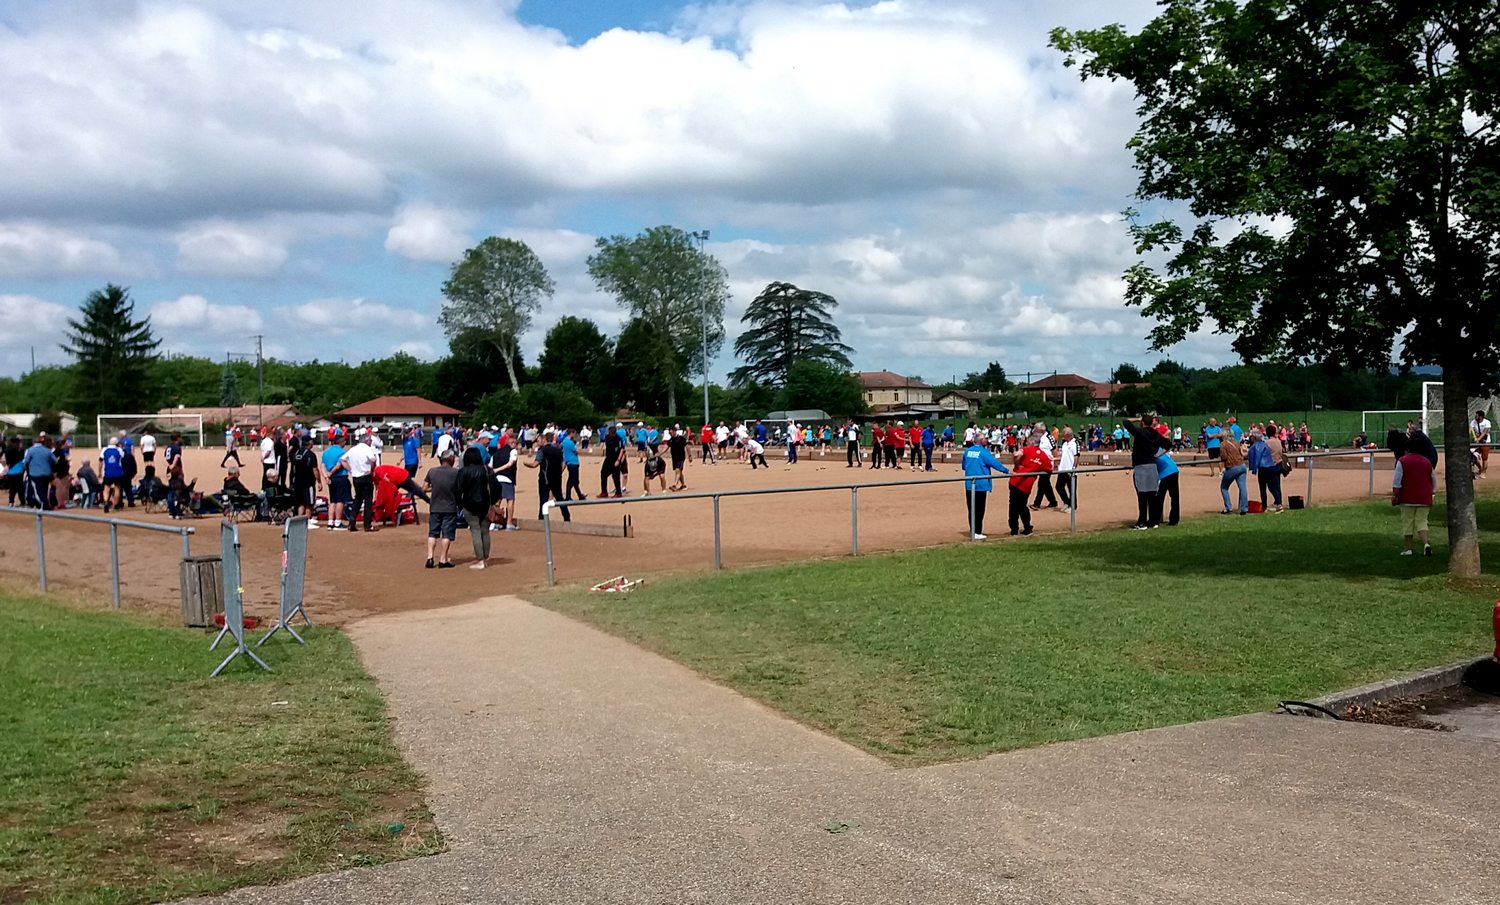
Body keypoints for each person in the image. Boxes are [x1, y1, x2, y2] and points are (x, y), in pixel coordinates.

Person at [1389, 429, 1434, 556]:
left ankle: (1408, 548)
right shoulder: (1427, 462)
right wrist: (1432, 493)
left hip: (1407, 497)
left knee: (1408, 522)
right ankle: (1426, 544)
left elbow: (1397, 481)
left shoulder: (1402, 461)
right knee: (1422, 522)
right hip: (1424, 497)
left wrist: (1395, 495)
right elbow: (1433, 480)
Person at [1121, 415, 1170, 529]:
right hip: (1152, 465)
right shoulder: (1155, 434)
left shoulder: (1140, 432)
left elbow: (1126, 422)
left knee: (1142, 495)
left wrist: (1137, 418)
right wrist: (1157, 455)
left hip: (1141, 465)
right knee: (1152, 495)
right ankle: (1153, 521)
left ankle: (1142, 522)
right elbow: (1168, 445)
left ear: (1142, 422)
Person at [961, 435, 1010, 539]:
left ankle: (973, 530)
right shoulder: (984, 452)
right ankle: (977, 532)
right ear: (981, 441)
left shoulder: (967, 451)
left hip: (969, 483)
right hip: (981, 484)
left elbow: (964, 466)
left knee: (971, 509)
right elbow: (994, 463)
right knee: (979, 509)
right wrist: (1007, 471)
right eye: (985, 438)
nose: (987, 440)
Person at [456, 447, 496, 569]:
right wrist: (493, 502)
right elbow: (496, 486)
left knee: (475, 530)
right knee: (485, 530)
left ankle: (480, 560)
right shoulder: (486, 470)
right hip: (485, 503)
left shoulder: (463, 471)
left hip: (469, 503)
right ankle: (485, 557)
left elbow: (457, 490)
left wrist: (460, 504)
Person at [423, 449, 460, 568]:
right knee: (447, 534)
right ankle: (443, 559)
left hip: (435, 506)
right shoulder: (456, 473)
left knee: (432, 533)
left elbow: (424, 488)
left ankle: (430, 557)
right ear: (451, 459)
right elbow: (459, 489)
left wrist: (435, 488)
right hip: (449, 507)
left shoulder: (432, 471)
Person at [1009, 435, 1051, 536]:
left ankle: (1014, 529)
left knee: (1014, 506)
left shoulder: (1027, 449)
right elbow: (1049, 469)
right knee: (1022, 506)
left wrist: (1016, 464)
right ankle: (1027, 527)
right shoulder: (1043, 455)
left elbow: (1016, 454)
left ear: (1031, 442)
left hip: (1016, 481)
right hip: (1027, 485)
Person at [524, 430, 569, 521]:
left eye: (538, 440)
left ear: (544, 439)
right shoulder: (558, 449)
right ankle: (566, 517)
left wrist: (526, 464)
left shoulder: (542, 451)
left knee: (543, 499)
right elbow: (564, 462)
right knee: (559, 498)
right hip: (556, 477)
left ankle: (542, 519)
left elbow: (535, 464)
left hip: (545, 478)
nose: (537, 442)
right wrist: (559, 471)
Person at [341, 431, 381, 532]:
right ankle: (367, 525)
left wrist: (350, 469)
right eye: (370, 440)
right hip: (365, 476)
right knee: (368, 501)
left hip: (356, 477)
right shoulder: (367, 449)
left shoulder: (353, 449)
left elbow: (342, 460)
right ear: (367, 440)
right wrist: (371, 471)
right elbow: (373, 460)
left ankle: (352, 522)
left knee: (357, 499)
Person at [1247, 427, 1285, 513]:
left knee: (1265, 487)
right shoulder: (1278, 441)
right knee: (1276, 486)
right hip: (1277, 465)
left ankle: (1267, 506)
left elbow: (1257, 456)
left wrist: (1253, 468)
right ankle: (1278, 503)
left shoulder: (1266, 443)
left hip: (1267, 466)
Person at [287, 435, 323, 520]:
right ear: (309, 443)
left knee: (301, 503)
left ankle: (299, 520)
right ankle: (308, 520)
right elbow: (315, 470)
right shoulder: (310, 455)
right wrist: (319, 482)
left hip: (297, 483)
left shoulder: (296, 453)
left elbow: (293, 469)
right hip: (308, 483)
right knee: (309, 503)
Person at [491, 432, 519, 530]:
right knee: (510, 500)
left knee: (497, 501)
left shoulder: (496, 453)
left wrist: (495, 471)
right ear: (513, 444)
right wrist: (498, 469)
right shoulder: (513, 451)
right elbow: (510, 463)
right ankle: (509, 523)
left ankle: (494, 521)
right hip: (507, 478)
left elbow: (490, 465)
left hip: (496, 479)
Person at [1218, 426, 1249, 514]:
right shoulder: (1236, 442)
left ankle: (1228, 507)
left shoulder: (1223, 444)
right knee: (1242, 487)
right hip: (1242, 466)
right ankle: (1243, 508)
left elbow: (1224, 457)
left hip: (1232, 467)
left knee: (1224, 487)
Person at [321, 433, 350, 529]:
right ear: (341, 442)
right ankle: (337, 522)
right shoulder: (341, 452)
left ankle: (330, 522)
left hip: (331, 479)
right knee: (340, 501)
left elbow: (323, 466)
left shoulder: (326, 452)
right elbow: (339, 464)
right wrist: (331, 473)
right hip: (340, 477)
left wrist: (326, 476)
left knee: (332, 500)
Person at [23, 435, 57, 510]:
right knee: (44, 489)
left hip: (35, 474)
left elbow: (26, 462)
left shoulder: (30, 450)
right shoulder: (47, 450)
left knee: (38, 491)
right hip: (47, 474)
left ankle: (44, 505)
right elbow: (55, 461)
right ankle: (45, 504)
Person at [1030, 422, 1058, 510]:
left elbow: (1054, 450)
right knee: (1046, 484)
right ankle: (1053, 501)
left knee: (1042, 484)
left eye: (1036, 429)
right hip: (1040, 464)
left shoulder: (1048, 438)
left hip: (1048, 464)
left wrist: (1056, 464)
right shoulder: (1039, 438)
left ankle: (1037, 503)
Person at [1153, 447, 1180, 526]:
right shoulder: (1158, 447)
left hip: (1165, 473)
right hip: (1174, 469)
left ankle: (1155, 520)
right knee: (1175, 497)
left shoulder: (1150, 449)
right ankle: (1174, 520)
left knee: (1159, 497)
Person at [99, 436, 125, 513]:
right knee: (117, 488)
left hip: (107, 472)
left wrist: (99, 472)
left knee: (106, 488)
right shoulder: (119, 450)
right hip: (117, 472)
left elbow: (100, 461)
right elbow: (122, 457)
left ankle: (106, 502)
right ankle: (116, 505)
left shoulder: (104, 450)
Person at [1056, 426, 1078, 513]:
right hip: (1062, 469)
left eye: (1063, 434)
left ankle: (1073, 506)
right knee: (1059, 487)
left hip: (1070, 470)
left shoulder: (1075, 443)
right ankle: (1067, 502)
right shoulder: (1065, 444)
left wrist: (1073, 468)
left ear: (1068, 435)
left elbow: (1076, 456)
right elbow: (1063, 456)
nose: (1062, 436)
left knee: (1071, 489)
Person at [561, 428, 586, 500]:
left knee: (575, 481)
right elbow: (575, 451)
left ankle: (580, 495)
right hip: (573, 462)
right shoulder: (570, 442)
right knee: (572, 480)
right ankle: (568, 496)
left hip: (569, 462)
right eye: (574, 433)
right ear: (571, 433)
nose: (574, 435)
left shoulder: (564, 441)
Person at [602, 426, 626, 497]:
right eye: (611, 433)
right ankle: (604, 492)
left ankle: (618, 493)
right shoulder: (607, 437)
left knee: (616, 476)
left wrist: (618, 460)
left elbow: (622, 449)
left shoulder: (618, 439)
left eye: (613, 433)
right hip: (608, 459)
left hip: (615, 459)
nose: (612, 434)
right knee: (603, 474)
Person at [1472, 409, 1492, 477]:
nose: (1475, 416)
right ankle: (1480, 469)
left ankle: (1483, 472)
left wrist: (1479, 439)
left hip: (1485, 442)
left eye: (1477, 415)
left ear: (1481, 416)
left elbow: (1485, 432)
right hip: (1477, 442)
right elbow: (1471, 429)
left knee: (1484, 458)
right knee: (1473, 456)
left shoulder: (1487, 422)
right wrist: (1474, 436)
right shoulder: (1474, 422)